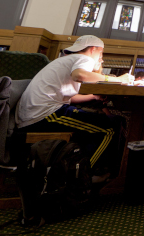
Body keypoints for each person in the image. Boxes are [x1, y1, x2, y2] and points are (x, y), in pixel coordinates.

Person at [16, 35, 130, 177]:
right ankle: (85, 176)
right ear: (94, 49)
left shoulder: (65, 60)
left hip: (35, 114)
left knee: (99, 123)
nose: (101, 57)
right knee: (109, 128)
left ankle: (80, 168)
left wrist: (93, 97)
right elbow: (79, 75)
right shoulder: (84, 58)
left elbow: (69, 97)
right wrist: (116, 79)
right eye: (101, 53)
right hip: (43, 116)